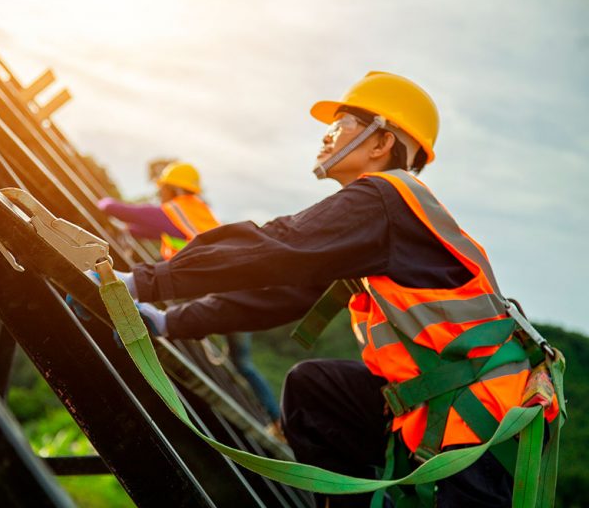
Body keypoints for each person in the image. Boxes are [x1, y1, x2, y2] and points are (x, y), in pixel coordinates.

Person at [117, 72, 559, 507]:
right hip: (441, 411)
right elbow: (284, 293)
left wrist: (143, 282)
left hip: (481, 423)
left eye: (339, 125)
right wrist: (168, 319)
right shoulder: (382, 227)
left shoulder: (383, 199)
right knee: (315, 390)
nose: (325, 138)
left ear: (380, 142)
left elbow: (275, 245)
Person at [97, 161, 282, 427]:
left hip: (218, 297)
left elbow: (113, 209)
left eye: (162, 188)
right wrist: (129, 232)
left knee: (167, 320)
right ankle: (277, 422)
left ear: (171, 189)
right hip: (239, 292)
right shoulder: (199, 213)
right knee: (243, 363)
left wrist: (102, 204)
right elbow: (155, 230)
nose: (159, 193)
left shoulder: (174, 210)